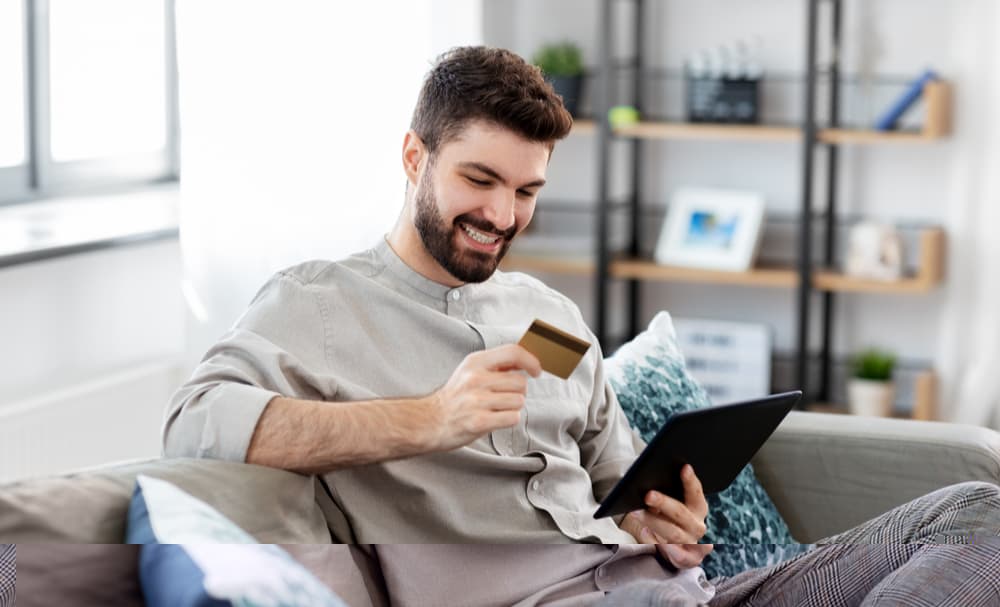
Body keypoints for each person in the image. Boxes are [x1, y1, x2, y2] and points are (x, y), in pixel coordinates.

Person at [165, 46, 1000, 606]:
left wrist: (657, 520)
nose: (500, 214)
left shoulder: (549, 315)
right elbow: (193, 425)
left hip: (673, 592)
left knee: (975, 511)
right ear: (415, 158)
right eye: (479, 179)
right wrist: (433, 417)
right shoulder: (317, 305)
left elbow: (617, 482)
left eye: (526, 192)